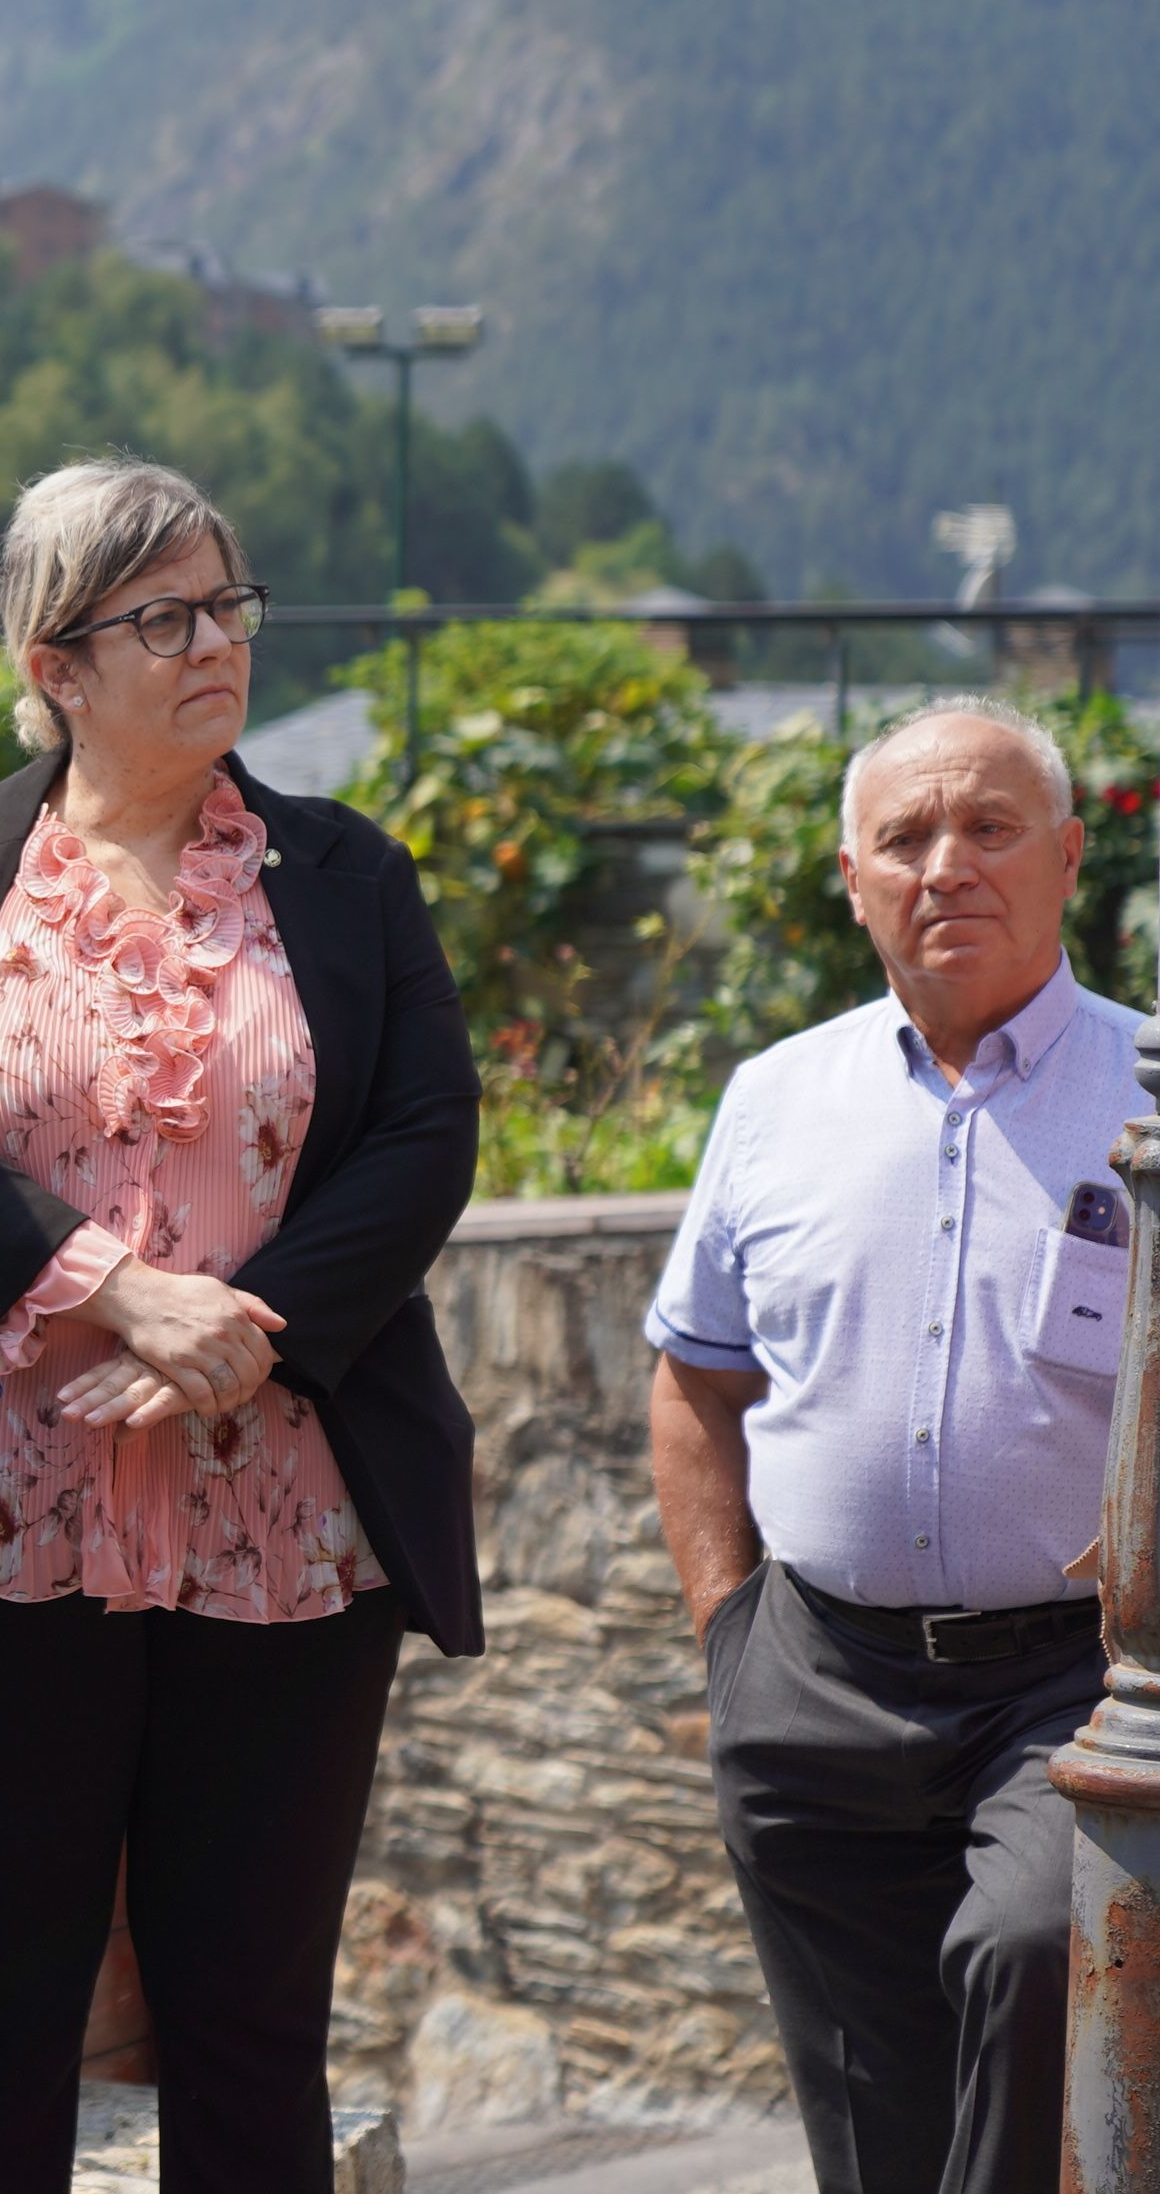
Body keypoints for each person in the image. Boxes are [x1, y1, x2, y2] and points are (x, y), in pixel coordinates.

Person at [0, 456, 483, 2192]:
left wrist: (244, 1323)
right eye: (163, 616)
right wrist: (115, 1285)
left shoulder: (345, 872)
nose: (216, 643)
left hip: (280, 1518)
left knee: (248, 2017)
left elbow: (427, 1134)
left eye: (227, 606)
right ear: (54, 659)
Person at [647, 698, 1138, 2194]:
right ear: (851, 881)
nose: (947, 866)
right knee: (866, 2109)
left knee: (1033, 1955)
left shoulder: (1152, 1097)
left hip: (1075, 1681)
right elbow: (693, 1381)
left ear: (1067, 859)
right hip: (815, 1681)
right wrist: (731, 1635)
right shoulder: (775, 1100)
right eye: (904, 839)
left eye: (989, 828)